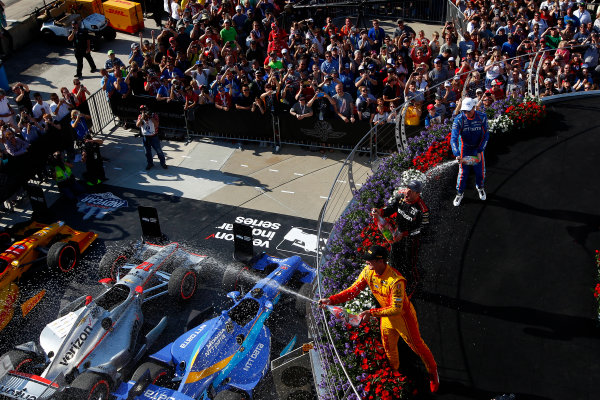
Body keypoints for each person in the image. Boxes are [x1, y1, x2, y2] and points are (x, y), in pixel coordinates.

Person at [318, 244, 439, 393]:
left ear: (380, 261)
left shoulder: (396, 281)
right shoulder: (368, 272)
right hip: (386, 318)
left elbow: (396, 308)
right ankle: (395, 372)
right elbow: (353, 291)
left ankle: (433, 373)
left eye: (369, 261)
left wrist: (371, 313)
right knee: (388, 347)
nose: (366, 263)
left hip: (404, 319)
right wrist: (331, 300)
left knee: (418, 347)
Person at [372, 180, 429, 294]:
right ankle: (396, 282)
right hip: (398, 234)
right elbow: (390, 209)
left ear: (418, 194)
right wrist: (380, 212)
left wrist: (405, 234)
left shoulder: (422, 210)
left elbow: (424, 229)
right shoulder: (401, 197)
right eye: (407, 188)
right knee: (394, 258)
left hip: (412, 239)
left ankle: (414, 283)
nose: (407, 192)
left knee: (410, 263)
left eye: (411, 191)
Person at [451, 97, 489, 207]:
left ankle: (480, 187)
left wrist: (480, 150)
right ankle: (460, 193)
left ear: (474, 108)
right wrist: (457, 154)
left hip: (477, 148)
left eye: (468, 110)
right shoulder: (459, 119)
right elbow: (453, 138)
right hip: (465, 148)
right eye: (464, 111)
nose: (466, 113)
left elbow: (486, 134)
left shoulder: (482, 117)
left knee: (480, 171)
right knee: (463, 172)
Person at [136, 105, 167, 170]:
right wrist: (142, 118)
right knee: (147, 152)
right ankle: (150, 163)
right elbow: (137, 125)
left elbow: (157, 125)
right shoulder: (140, 116)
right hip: (145, 137)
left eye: (144, 109)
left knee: (159, 151)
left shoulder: (154, 115)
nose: (143, 111)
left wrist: (150, 117)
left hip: (154, 137)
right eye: (142, 110)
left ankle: (163, 163)